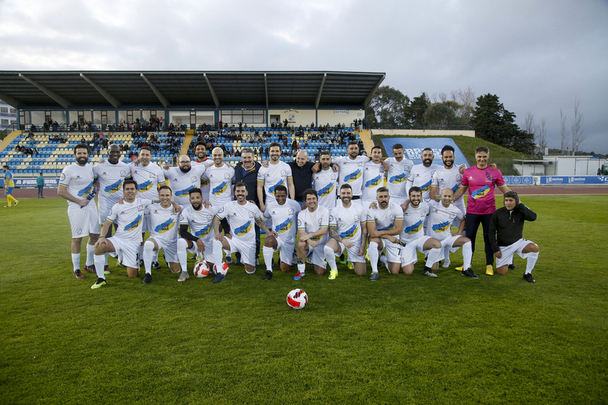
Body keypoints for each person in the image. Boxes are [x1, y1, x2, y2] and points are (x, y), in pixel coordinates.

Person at [454, 146, 511, 276]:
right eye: (479, 156)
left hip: (489, 212)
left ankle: (489, 265)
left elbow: (504, 188)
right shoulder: (468, 172)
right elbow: (462, 190)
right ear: (475, 157)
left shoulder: (495, 172)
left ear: (488, 156)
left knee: (489, 238)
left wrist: (516, 199)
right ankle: (467, 264)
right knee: (469, 239)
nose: (482, 159)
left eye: (484, 156)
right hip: (472, 212)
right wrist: (451, 199)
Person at [91, 180, 154, 289]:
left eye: (132, 189)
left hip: (133, 244)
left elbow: (161, 201)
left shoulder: (143, 202)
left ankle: (130, 261)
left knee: (132, 276)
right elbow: (106, 224)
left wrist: (174, 203)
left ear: (136, 191)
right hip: (119, 239)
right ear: (123, 191)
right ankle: (101, 278)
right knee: (99, 247)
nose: (130, 191)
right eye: (127, 189)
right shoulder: (117, 206)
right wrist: (102, 237)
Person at [212, 182, 276, 283]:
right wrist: (217, 233)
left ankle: (244, 259)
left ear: (246, 193)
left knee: (250, 271)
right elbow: (216, 218)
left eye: (242, 191)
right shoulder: (229, 205)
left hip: (249, 244)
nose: (240, 193)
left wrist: (268, 232)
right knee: (216, 241)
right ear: (235, 193)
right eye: (238, 191)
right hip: (234, 240)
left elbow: (260, 222)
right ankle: (219, 273)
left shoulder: (253, 207)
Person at [57, 144, 100, 280]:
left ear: (88, 154)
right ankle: (76, 269)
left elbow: (93, 183)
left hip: (91, 205)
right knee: (77, 238)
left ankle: (88, 264)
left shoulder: (90, 168)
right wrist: (78, 201)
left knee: (94, 235)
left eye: (84, 153)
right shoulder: (68, 170)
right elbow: (60, 191)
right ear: (75, 155)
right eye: (79, 153)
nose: (82, 155)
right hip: (77, 208)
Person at [92, 143, 130, 270]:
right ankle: (104, 263)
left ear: (120, 153)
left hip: (120, 203)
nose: (115, 154)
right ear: (107, 152)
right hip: (105, 204)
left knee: (121, 232)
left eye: (117, 152)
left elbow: (129, 183)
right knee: (106, 234)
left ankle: (121, 260)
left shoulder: (125, 167)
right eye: (112, 152)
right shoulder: (99, 166)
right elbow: (92, 181)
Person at [129, 146, 167, 269]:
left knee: (155, 233)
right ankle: (139, 258)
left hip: (154, 205)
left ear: (151, 156)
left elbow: (162, 186)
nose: (144, 157)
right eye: (142, 154)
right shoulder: (132, 166)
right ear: (139, 156)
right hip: (138, 206)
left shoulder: (157, 169)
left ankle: (154, 260)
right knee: (139, 234)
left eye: (147, 155)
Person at [427, 188, 478, 279]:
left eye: (449, 196)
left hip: (447, 239)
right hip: (434, 242)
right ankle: (431, 258)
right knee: (434, 269)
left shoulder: (455, 210)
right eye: (445, 196)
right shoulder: (432, 204)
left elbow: (463, 220)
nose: (447, 198)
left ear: (453, 197)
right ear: (441, 196)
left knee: (467, 241)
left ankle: (466, 269)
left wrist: (459, 233)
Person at [489, 191, 539, 283]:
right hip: (503, 246)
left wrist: (521, 205)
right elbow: (491, 232)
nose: (508, 202)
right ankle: (510, 261)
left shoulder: (521, 211)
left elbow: (533, 217)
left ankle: (527, 273)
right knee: (501, 272)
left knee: (534, 248)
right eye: (506, 200)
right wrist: (495, 248)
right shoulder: (497, 213)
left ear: (516, 201)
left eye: (511, 200)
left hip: (518, 242)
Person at [142, 185, 184, 283]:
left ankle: (167, 257)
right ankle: (148, 273)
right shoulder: (151, 208)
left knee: (176, 271)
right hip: (157, 239)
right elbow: (137, 206)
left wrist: (175, 203)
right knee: (148, 244)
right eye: (162, 195)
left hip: (171, 242)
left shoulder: (178, 208)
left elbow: (193, 208)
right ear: (159, 196)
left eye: (167, 195)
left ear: (171, 196)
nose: (164, 198)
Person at [324, 184, 368, 279]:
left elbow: (364, 228)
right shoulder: (335, 211)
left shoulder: (360, 209)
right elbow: (332, 231)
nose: (346, 195)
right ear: (339, 195)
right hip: (341, 242)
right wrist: (343, 241)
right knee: (327, 248)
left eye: (348, 193)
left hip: (355, 243)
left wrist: (362, 246)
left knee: (361, 273)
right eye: (343, 193)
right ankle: (334, 270)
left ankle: (350, 260)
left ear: (352, 194)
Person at [399, 187, 444, 277]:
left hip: (419, 238)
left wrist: (451, 205)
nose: (416, 198)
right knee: (408, 272)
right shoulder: (402, 208)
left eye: (418, 196)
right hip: (406, 242)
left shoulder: (425, 206)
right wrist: (405, 203)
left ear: (421, 196)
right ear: (409, 197)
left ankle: (427, 269)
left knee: (437, 245)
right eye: (413, 196)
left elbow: (441, 206)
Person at [261, 185, 302, 280]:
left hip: (289, 241)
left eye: (283, 196)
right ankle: (268, 270)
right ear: (274, 195)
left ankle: (284, 256)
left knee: (285, 269)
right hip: (277, 238)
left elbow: (302, 216)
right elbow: (263, 220)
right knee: (268, 240)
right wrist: (268, 231)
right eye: (278, 196)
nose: (280, 198)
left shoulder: (294, 204)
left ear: (286, 195)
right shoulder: (270, 206)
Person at [178, 188, 218, 282]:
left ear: (202, 198)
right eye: (192, 198)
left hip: (209, 242)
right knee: (181, 242)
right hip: (196, 242)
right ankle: (184, 272)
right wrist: (197, 240)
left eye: (197, 198)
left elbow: (223, 219)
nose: (195, 200)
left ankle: (204, 260)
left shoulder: (211, 208)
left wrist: (227, 232)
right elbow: (183, 232)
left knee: (212, 269)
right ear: (189, 200)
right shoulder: (186, 211)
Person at [365, 187, 403, 280]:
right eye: (381, 197)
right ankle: (374, 271)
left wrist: (384, 234)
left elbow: (398, 230)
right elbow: (372, 233)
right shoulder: (372, 210)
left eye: (385, 196)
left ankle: (382, 258)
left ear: (389, 197)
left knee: (394, 272)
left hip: (393, 238)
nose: (383, 199)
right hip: (380, 239)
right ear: (376, 198)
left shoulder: (396, 208)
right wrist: (387, 236)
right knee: (373, 241)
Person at [234, 147, 262, 264]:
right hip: (238, 205)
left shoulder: (260, 169)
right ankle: (239, 257)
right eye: (244, 157)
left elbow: (262, 188)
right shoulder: (237, 168)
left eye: (249, 157)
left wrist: (259, 203)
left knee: (254, 233)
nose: (247, 160)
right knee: (238, 232)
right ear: (241, 159)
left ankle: (254, 257)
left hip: (253, 205)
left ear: (253, 157)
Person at [295, 189, 330, 280]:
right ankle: (301, 271)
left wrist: (309, 236)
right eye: (309, 199)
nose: (311, 201)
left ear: (317, 199)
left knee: (319, 272)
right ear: (305, 201)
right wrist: (310, 241)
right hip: (309, 243)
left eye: (313, 198)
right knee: (301, 243)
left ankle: (319, 257)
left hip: (322, 244)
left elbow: (323, 230)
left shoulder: (324, 211)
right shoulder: (302, 214)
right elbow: (302, 234)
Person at [430, 145, 465, 227]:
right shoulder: (438, 172)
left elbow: (466, 185)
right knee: (444, 229)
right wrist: (438, 202)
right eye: (446, 157)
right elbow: (432, 192)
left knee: (464, 227)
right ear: (442, 158)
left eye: (450, 156)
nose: (448, 159)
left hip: (459, 205)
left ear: (454, 157)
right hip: (444, 205)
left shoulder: (461, 170)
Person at [257, 142, 295, 212]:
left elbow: (290, 184)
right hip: (269, 203)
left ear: (280, 152)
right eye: (272, 151)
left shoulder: (286, 167)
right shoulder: (263, 168)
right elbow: (259, 187)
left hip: (284, 202)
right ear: (269, 152)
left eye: (277, 151)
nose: (275, 153)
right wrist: (261, 204)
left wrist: (292, 201)